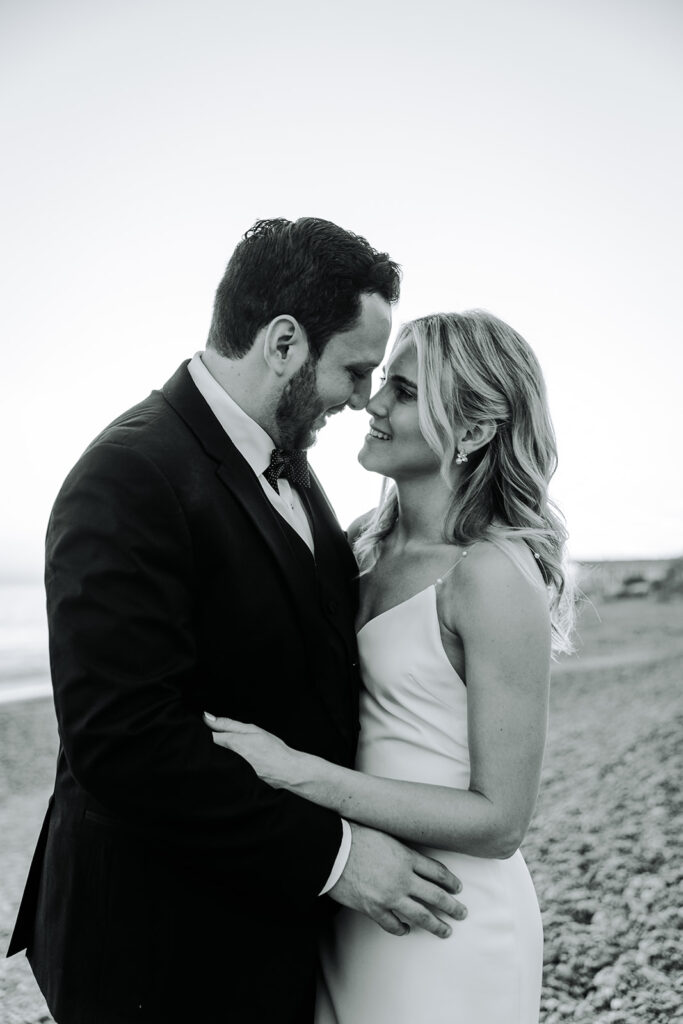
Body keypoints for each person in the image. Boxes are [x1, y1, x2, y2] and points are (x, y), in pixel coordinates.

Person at [7, 220, 466, 1024]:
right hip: (158, 943)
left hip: (262, 923)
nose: (363, 398)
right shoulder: (128, 474)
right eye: (355, 369)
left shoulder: (286, 458)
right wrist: (337, 858)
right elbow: (122, 741)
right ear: (283, 342)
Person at [205, 310, 575, 1023]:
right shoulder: (357, 547)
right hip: (349, 893)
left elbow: (501, 821)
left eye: (402, 391)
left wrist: (299, 773)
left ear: (471, 431)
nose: (370, 403)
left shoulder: (491, 576)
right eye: (380, 383)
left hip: (446, 912)